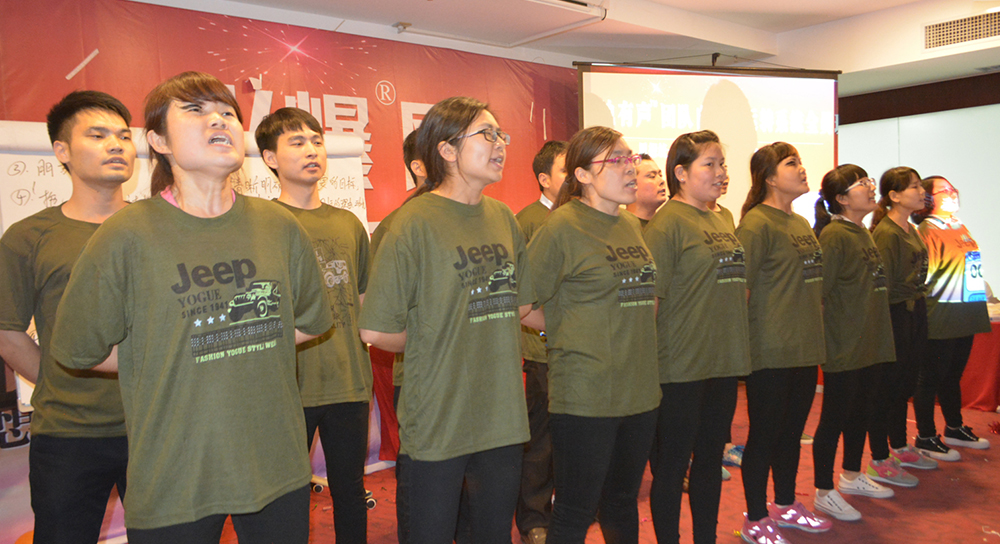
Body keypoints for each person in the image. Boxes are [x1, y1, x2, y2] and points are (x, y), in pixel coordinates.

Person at [49, 71, 333, 544]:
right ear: (158, 141)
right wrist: (164, 353)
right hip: (174, 474)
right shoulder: (126, 235)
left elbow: (308, 321)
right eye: (196, 110)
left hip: (276, 464)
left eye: (227, 112)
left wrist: (233, 336)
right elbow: (78, 348)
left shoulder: (278, 226)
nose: (218, 119)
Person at [358, 96, 534, 544]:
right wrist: (434, 338)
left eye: (501, 135)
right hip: (438, 416)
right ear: (447, 149)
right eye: (486, 134)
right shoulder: (411, 223)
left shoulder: (502, 217)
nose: (499, 144)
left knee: (493, 534)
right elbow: (376, 329)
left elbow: (519, 304)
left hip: (501, 415)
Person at [0, 90, 134, 543]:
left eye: (123, 135)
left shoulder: (161, 227)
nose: (116, 145)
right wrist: (61, 380)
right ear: (62, 151)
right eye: (97, 135)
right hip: (68, 434)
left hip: (158, 426)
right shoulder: (29, 236)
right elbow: (7, 331)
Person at [525, 127, 661, 543]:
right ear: (582, 175)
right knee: (575, 510)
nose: (630, 168)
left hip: (639, 391)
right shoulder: (562, 227)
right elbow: (521, 305)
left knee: (621, 502)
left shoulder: (630, 224)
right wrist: (571, 327)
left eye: (630, 157)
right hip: (586, 394)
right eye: (616, 160)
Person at [255, 106, 372, 544]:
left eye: (317, 141)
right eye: (297, 142)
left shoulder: (348, 223)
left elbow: (364, 300)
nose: (311, 150)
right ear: (269, 158)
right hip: (286, 388)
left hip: (349, 383)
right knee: (283, 500)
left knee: (351, 492)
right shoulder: (260, 224)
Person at [645, 130, 751, 544]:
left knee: (709, 462)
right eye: (710, 164)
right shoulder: (667, 223)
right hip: (680, 367)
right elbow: (651, 302)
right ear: (681, 173)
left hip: (722, 363)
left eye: (722, 164)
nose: (721, 172)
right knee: (672, 468)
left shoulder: (722, 218)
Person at [735, 142, 831, 543]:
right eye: (792, 163)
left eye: (800, 161)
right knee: (765, 435)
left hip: (804, 348)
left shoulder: (800, 223)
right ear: (770, 178)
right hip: (770, 350)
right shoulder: (756, 224)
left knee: (791, 434)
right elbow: (740, 292)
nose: (802, 168)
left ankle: (786, 504)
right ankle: (756, 517)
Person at [810, 165, 912, 524]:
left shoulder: (863, 232)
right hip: (845, 345)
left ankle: (852, 475)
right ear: (841, 198)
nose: (870, 188)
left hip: (871, 342)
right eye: (861, 183)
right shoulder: (835, 236)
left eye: (869, 181)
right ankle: (824, 491)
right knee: (835, 417)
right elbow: (820, 295)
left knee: (861, 413)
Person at [372, 128, 428, 544]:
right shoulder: (396, 227)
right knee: (419, 471)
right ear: (420, 166)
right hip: (418, 374)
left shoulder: (487, 216)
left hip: (471, 373)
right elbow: (381, 318)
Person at [913, 175, 992, 457]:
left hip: (966, 313)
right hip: (942, 314)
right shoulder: (927, 230)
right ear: (928, 199)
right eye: (944, 190)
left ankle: (954, 427)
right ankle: (925, 435)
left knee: (952, 375)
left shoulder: (959, 225)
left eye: (952, 188)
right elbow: (925, 275)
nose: (952, 193)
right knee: (931, 377)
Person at [515, 139, 567, 544]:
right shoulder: (528, 220)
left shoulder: (584, 218)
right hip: (541, 350)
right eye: (566, 170)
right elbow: (522, 295)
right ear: (544, 179)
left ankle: (570, 509)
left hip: (579, 352)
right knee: (542, 442)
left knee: (575, 437)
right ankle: (534, 517)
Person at [867, 166, 929, 485]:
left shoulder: (911, 228)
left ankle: (900, 446)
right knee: (888, 388)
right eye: (914, 187)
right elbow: (884, 285)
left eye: (920, 186)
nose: (921, 192)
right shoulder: (887, 233)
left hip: (914, 310)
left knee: (904, 384)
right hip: (895, 314)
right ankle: (879, 457)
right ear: (893, 195)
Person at [624, 153, 666, 228]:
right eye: (652, 176)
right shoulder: (623, 227)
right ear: (631, 184)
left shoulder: (667, 225)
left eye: (660, 175)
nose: (662, 181)